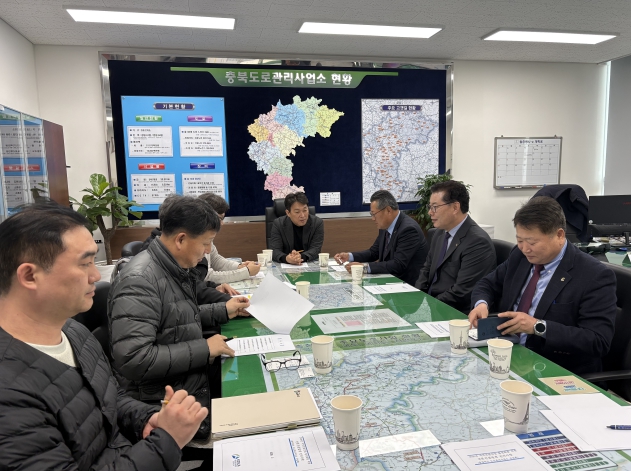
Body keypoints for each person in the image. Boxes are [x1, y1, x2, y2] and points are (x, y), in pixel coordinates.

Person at [0, 200, 206, 470]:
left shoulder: (74, 332)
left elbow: (109, 399)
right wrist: (166, 441)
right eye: (85, 263)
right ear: (29, 275)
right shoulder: (9, 393)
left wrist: (147, 418)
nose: (96, 275)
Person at [109, 195, 250, 441]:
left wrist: (223, 310)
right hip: (165, 399)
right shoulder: (139, 280)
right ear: (181, 239)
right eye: (206, 243)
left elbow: (175, 317)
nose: (208, 251)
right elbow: (134, 358)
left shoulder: (171, 266)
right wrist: (205, 348)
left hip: (186, 377)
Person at [469, 196, 617, 376]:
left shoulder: (594, 275)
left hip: (554, 369)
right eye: (519, 240)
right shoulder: (520, 256)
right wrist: (481, 304)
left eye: (532, 242)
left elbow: (597, 341)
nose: (525, 248)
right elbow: (487, 284)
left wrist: (537, 326)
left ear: (559, 235)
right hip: (507, 353)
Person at [415, 180, 496, 312]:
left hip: (454, 312)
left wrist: (429, 306)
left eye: (435, 207)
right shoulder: (439, 233)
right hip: (432, 305)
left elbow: (461, 292)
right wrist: (415, 298)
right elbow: (426, 270)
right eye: (430, 207)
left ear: (455, 207)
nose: (430, 212)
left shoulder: (477, 242)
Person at [334, 190, 428, 285]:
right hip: (389, 282)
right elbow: (373, 252)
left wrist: (364, 267)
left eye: (374, 214)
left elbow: (398, 264)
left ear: (388, 210)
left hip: (407, 285)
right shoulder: (385, 226)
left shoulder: (408, 229)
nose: (373, 218)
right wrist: (349, 256)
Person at [198, 192, 261, 283]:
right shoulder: (194, 237)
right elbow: (207, 276)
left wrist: (239, 266)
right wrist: (246, 272)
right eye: (219, 218)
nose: (222, 223)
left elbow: (215, 260)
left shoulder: (207, 235)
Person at [270, 192, 324, 265]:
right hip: (285, 265)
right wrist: (286, 258)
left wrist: (300, 257)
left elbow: (316, 248)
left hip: (308, 263)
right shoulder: (278, 224)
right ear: (288, 213)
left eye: (305, 210)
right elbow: (275, 250)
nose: (302, 215)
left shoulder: (317, 223)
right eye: (297, 212)